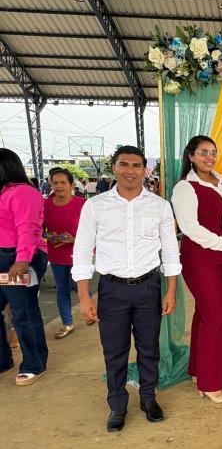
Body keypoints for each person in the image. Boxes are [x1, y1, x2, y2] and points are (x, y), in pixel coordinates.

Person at [72, 145, 181, 432]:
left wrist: (170, 290)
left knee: (149, 348)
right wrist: (84, 296)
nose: (130, 171)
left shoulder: (160, 206)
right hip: (112, 290)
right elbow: (82, 250)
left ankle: (148, 398)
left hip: (148, 288)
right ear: (114, 167)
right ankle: (117, 405)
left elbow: (170, 250)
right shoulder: (95, 206)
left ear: (145, 170)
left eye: (136, 165)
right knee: (114, 351)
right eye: (124, 164)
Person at [172, 135, 222, 404]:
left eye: (213, 152)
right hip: (199, 258)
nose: (209, 157)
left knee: (204, 313)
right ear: (191, 156)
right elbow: (189, 227)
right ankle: (210, 383)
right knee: (215, 316)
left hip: (221, 258)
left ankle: (198, 369)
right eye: (203, 152)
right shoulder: (185, 187)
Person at [0, 149, 49, 386]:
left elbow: (28, 228)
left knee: (23, 312)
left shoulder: (22, 192)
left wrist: (22, 260)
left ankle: (34, 363)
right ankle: (3, 360)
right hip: (4, 257)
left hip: (16, 259)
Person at [43, 169, 86, 339]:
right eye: (55, 183)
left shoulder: (83, 204)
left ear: (71, 185)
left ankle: (91, 312)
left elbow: (94, 231)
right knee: (62, 289)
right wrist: (50, 237)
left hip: (79, 254)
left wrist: (75, 240)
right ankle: (67, 323)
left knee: (80, 286)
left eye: (63, 183)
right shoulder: (45, 205)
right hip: (56, 255)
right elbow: (38, 230)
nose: (59, 186)